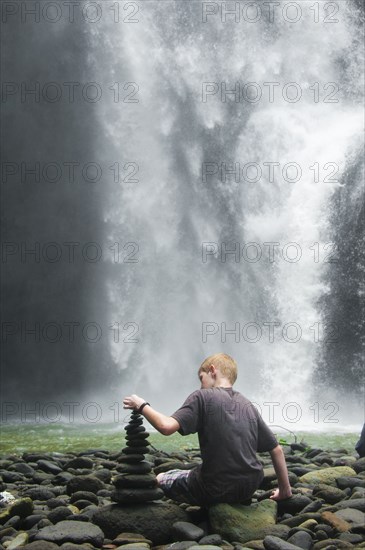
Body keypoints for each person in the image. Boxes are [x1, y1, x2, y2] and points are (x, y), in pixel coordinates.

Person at [123, 353, 292, 506]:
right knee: (196, 471)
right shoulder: (247, 404)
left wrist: (141, 405)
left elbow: (166, 427)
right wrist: (284, 491)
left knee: (161, 477)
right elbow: (276, 449)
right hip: (249, 486)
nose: (201, 385)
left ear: (212, 370)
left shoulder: (202, 397)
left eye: (201, 378)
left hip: (214, 488)